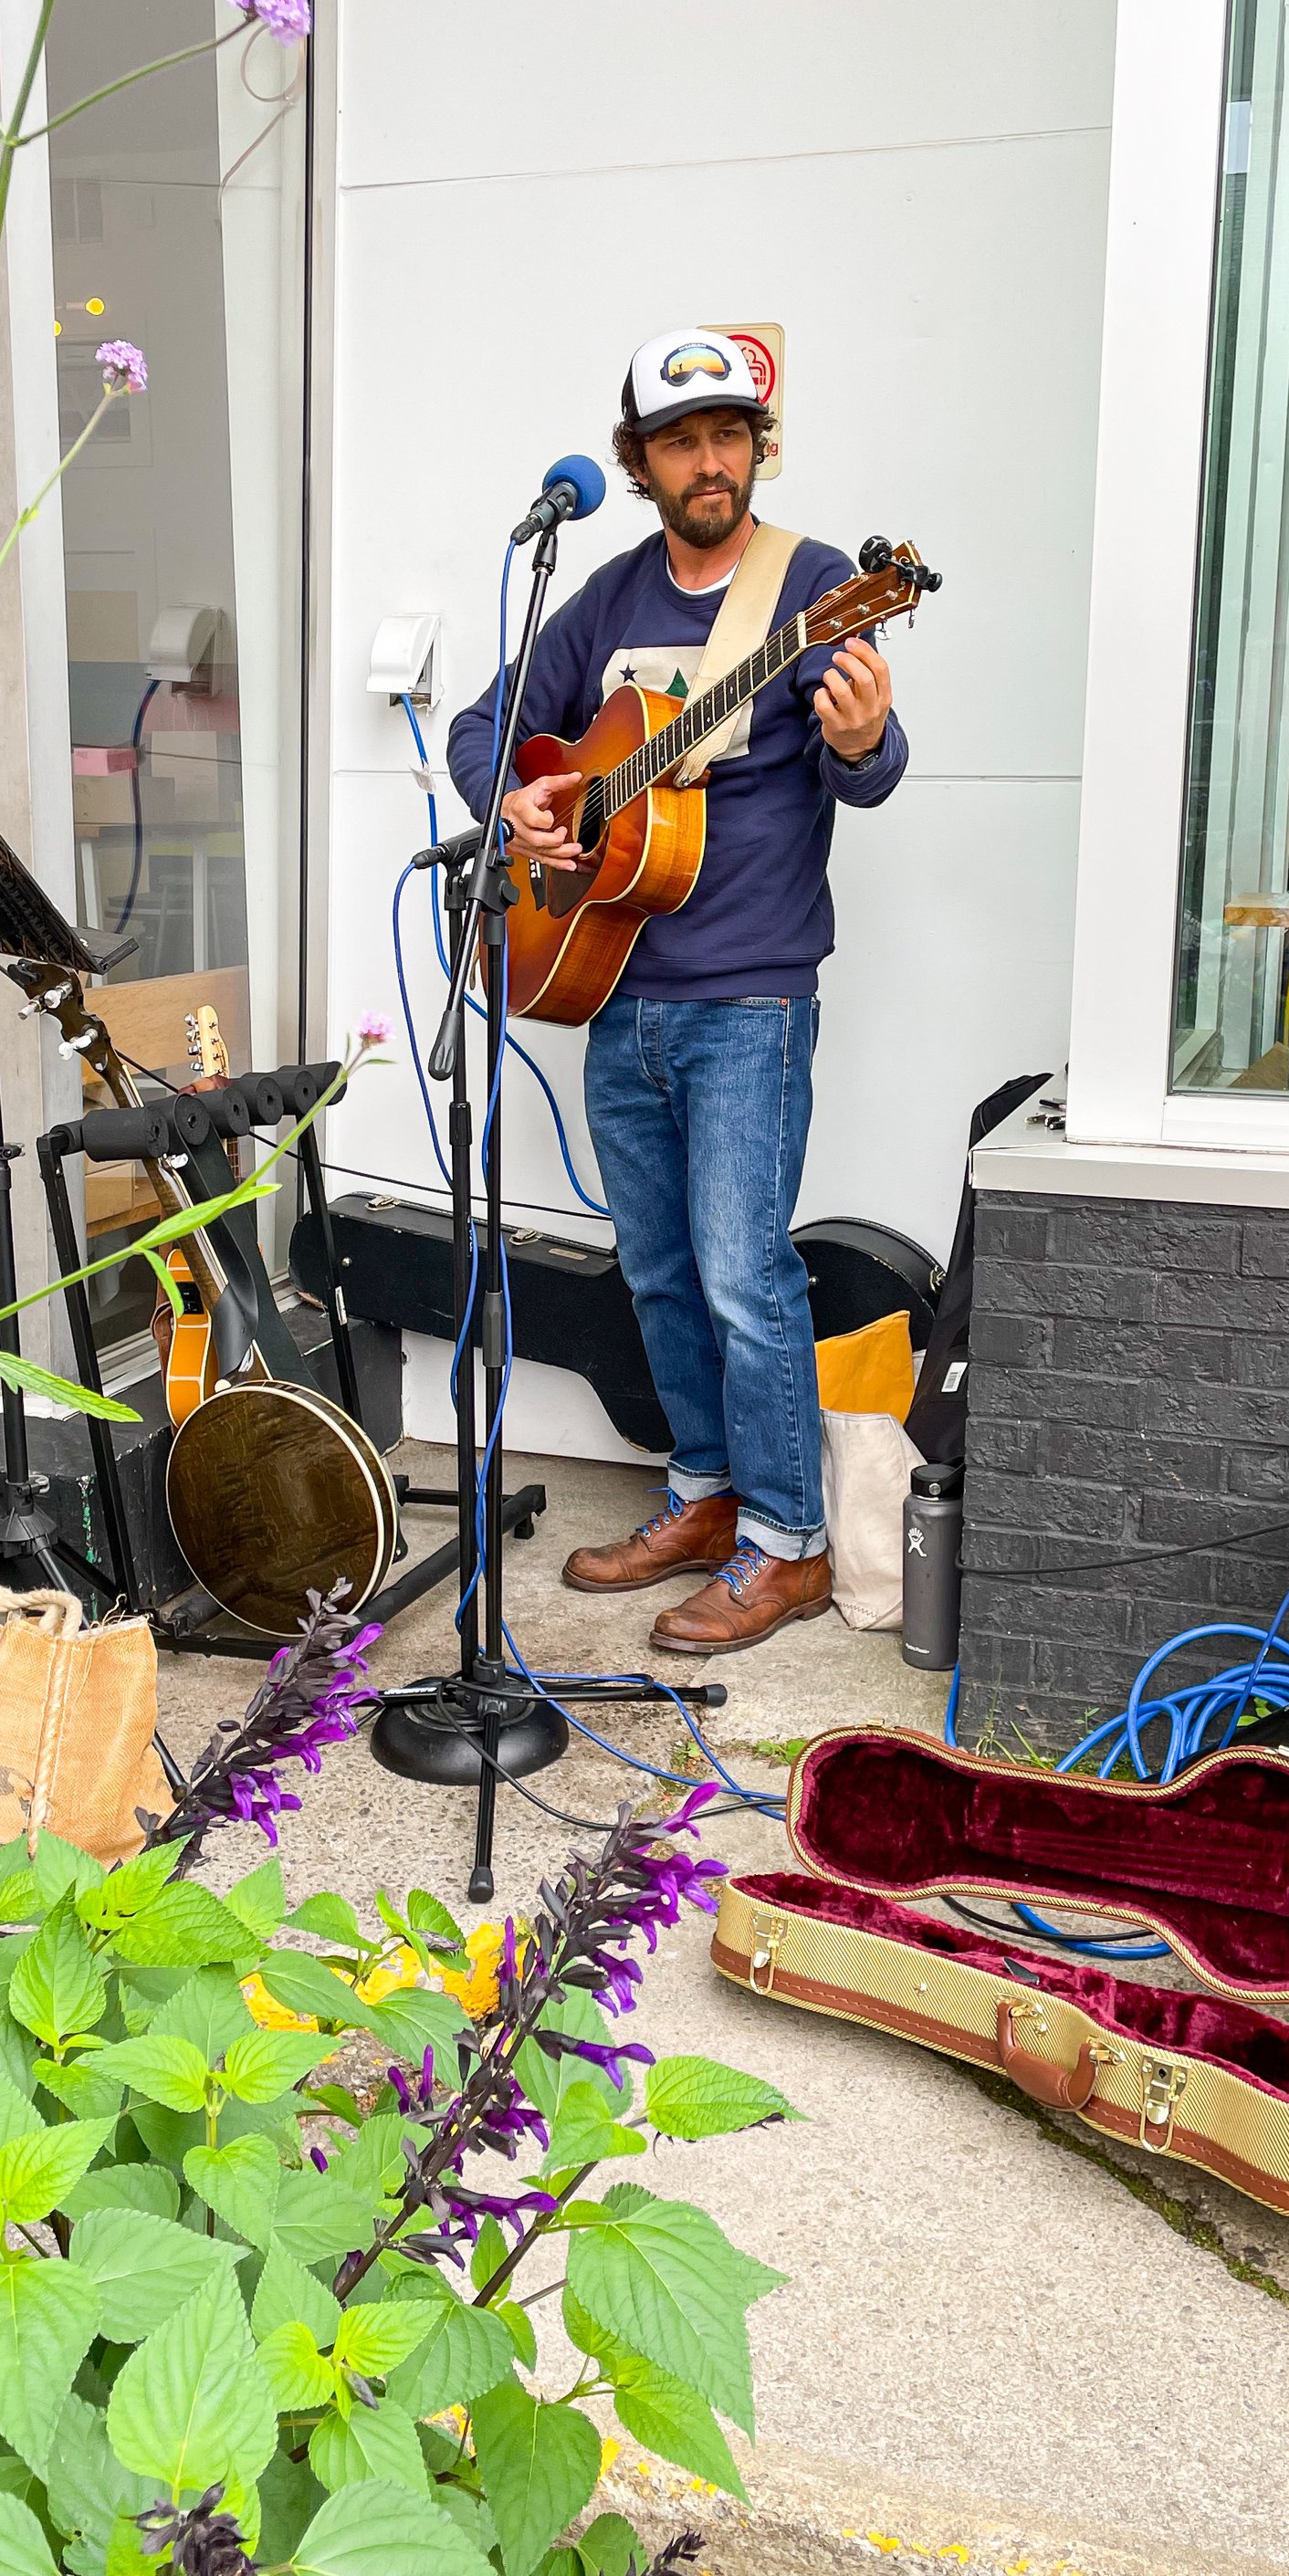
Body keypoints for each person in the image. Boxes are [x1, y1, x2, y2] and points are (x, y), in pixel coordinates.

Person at [446, 327, 906, 1652]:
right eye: (680, 440)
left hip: (747, 999)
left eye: (731, 437)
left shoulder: (814, 589)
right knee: (655, 1269)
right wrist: (524, 797)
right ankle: (703, 1498)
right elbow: (491, 725)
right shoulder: (601, 595)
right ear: (638, 462)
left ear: (758, 450)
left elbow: (868, 765)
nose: (710, 462)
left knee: (744, 1275)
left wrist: (867, 738)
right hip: (608, 979)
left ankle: (788, 1542)